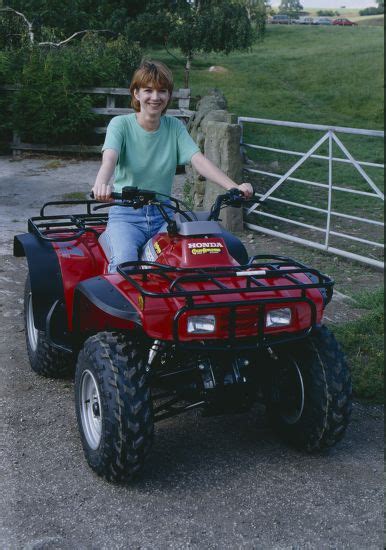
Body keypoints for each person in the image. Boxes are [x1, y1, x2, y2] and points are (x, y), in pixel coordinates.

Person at [92, 60, 253, 272]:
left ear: (168, 96)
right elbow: (109, 159)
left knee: (192, 257)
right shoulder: (121, 125)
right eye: (148, 90)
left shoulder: (174, 127)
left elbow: (199, 160)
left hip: (164, 216)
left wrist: (234, 187)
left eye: (162, 91)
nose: (155, 97)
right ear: (136, 94)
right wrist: (101, 184)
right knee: (125, 264)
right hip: (126, 216)